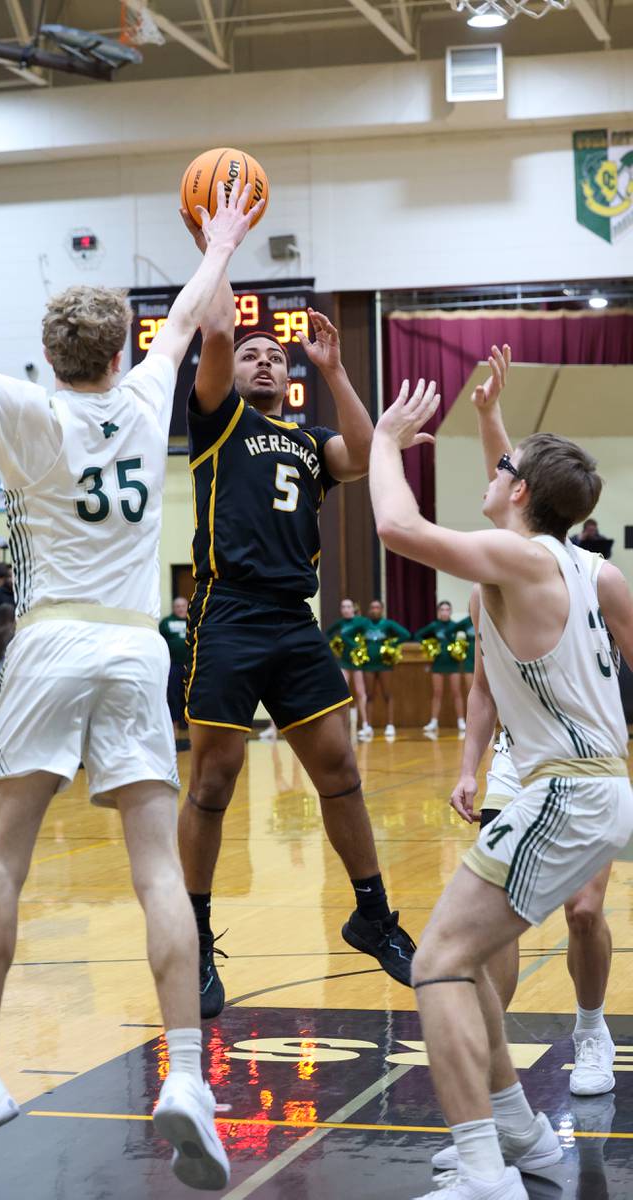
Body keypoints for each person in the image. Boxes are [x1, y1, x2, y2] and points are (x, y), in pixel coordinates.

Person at [0, 179, 260, 1184]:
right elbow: (202, 306)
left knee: (0, 863)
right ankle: (188, 1076)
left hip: (55, 639)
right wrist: (222, 238)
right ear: (119, 350)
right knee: (157, 867)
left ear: (53, 352)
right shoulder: (150, 387)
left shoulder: (23, 407)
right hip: (135, 645)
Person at [369, 349, 633, 1200]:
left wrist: (385, 443)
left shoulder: (524, 560)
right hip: (581, 784)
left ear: (520, 492)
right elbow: (522, 487)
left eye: (502, 468)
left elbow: (398, 531)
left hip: (568, 788)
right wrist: (492, 420)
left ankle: (486, 1168)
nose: (492, 472)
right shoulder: (563, 561)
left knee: (437, 963)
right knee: (467, 958)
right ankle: (519, 1131)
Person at [178, 207, 416, 1023]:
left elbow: (365, 450)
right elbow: (214, 333)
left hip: (291, 617)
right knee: (213, 780)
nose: (264, 361)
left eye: (275, 357)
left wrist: (336, 367)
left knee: (341, 772)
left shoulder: (312, 441)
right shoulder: (215, 423)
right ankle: (196, 937)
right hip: (228, 613)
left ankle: (372, 912)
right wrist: (222, 251)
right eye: (253, 353)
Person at [414, 600, 466, 735]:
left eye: (447, 610)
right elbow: (418, 635)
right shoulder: (434, 626)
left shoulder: (456, 626)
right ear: (438, 612)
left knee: (457, 692)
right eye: (442, 610)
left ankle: (461, 721)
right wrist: (428, 645)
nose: (444, 612)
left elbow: (463, 641)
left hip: (453, 662)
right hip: (438, 663)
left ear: (450, 612)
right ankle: (433, 721)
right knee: (437, 693)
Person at [361, 599, 410, 739]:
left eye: (377, 607)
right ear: (369, 610)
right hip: (368, 664)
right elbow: (347, 634)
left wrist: (392, 644)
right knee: (369, 695)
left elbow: (405, 634)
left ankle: (390, 725)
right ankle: (367, 725)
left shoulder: (387, 624)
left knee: (387, 694)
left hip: (385, 665)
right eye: (372, 607)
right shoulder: (364, 624)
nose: (375, 610)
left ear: (382, 609)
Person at [325, 598, 369, 740]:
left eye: (348, 607)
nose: (345, 609)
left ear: (353, 609)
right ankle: (344, 725)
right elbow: (327, 634)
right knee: (343, 692)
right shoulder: (340, 623)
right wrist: (336, 643)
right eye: (343, 607)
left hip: (357, 662)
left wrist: (354, 644)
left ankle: (365, 724)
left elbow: (368, 633)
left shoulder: (361, 621)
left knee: (360, 692)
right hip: (344, 662)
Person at [159, 596, 189, 747]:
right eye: (177, 606)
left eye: (183, 606)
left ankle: (191, 727)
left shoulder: (194, 619)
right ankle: (174, 727)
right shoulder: (166, 623)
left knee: (192, 695)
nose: (181, 608)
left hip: (192, 665)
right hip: (174, 665)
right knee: (173, 695)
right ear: (173, 608)